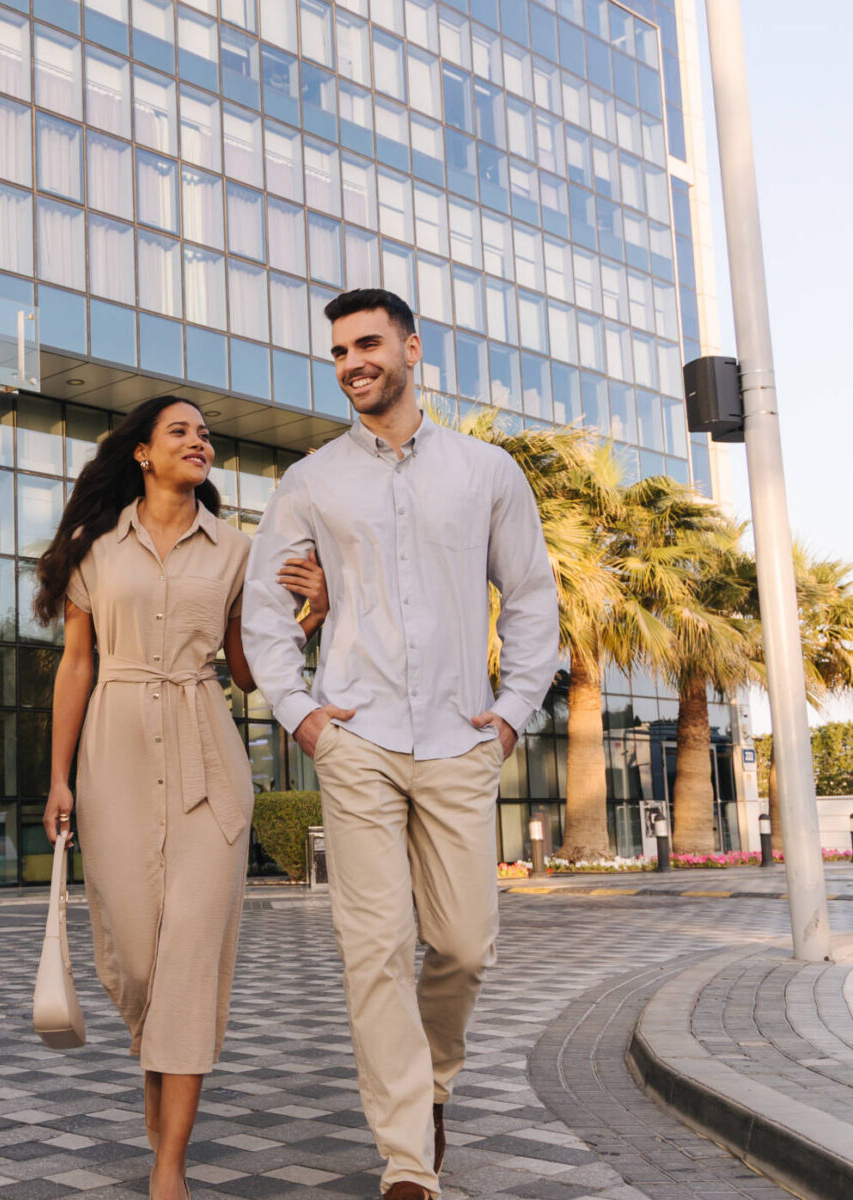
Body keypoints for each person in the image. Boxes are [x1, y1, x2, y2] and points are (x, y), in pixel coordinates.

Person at [240, 288, 560, 1200]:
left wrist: (510, 715)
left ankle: (432, 1088)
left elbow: (532, 599)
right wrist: (300, 712)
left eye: (368, 344)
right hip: (358, 739)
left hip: (461, 739)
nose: (352, 363)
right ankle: (406, 1161)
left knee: (463, 944)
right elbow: (267, 607)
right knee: (372, 948)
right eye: (339, 351)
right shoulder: (312, 480)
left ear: (413, 348)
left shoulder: (487, 473)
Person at [34, 395, 326, 1200]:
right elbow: (77, 667)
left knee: (191, 958)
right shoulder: (96, 548)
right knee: (136, 957)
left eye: (204, 435)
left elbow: (242, 669)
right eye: (181, 432)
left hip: (207, 757)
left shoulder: (238, 550)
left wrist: (310, 617)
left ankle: (170, 1165)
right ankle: (160, 1096)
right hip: (115, 753)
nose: (199, 442)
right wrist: (58, 779)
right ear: (142, 452)